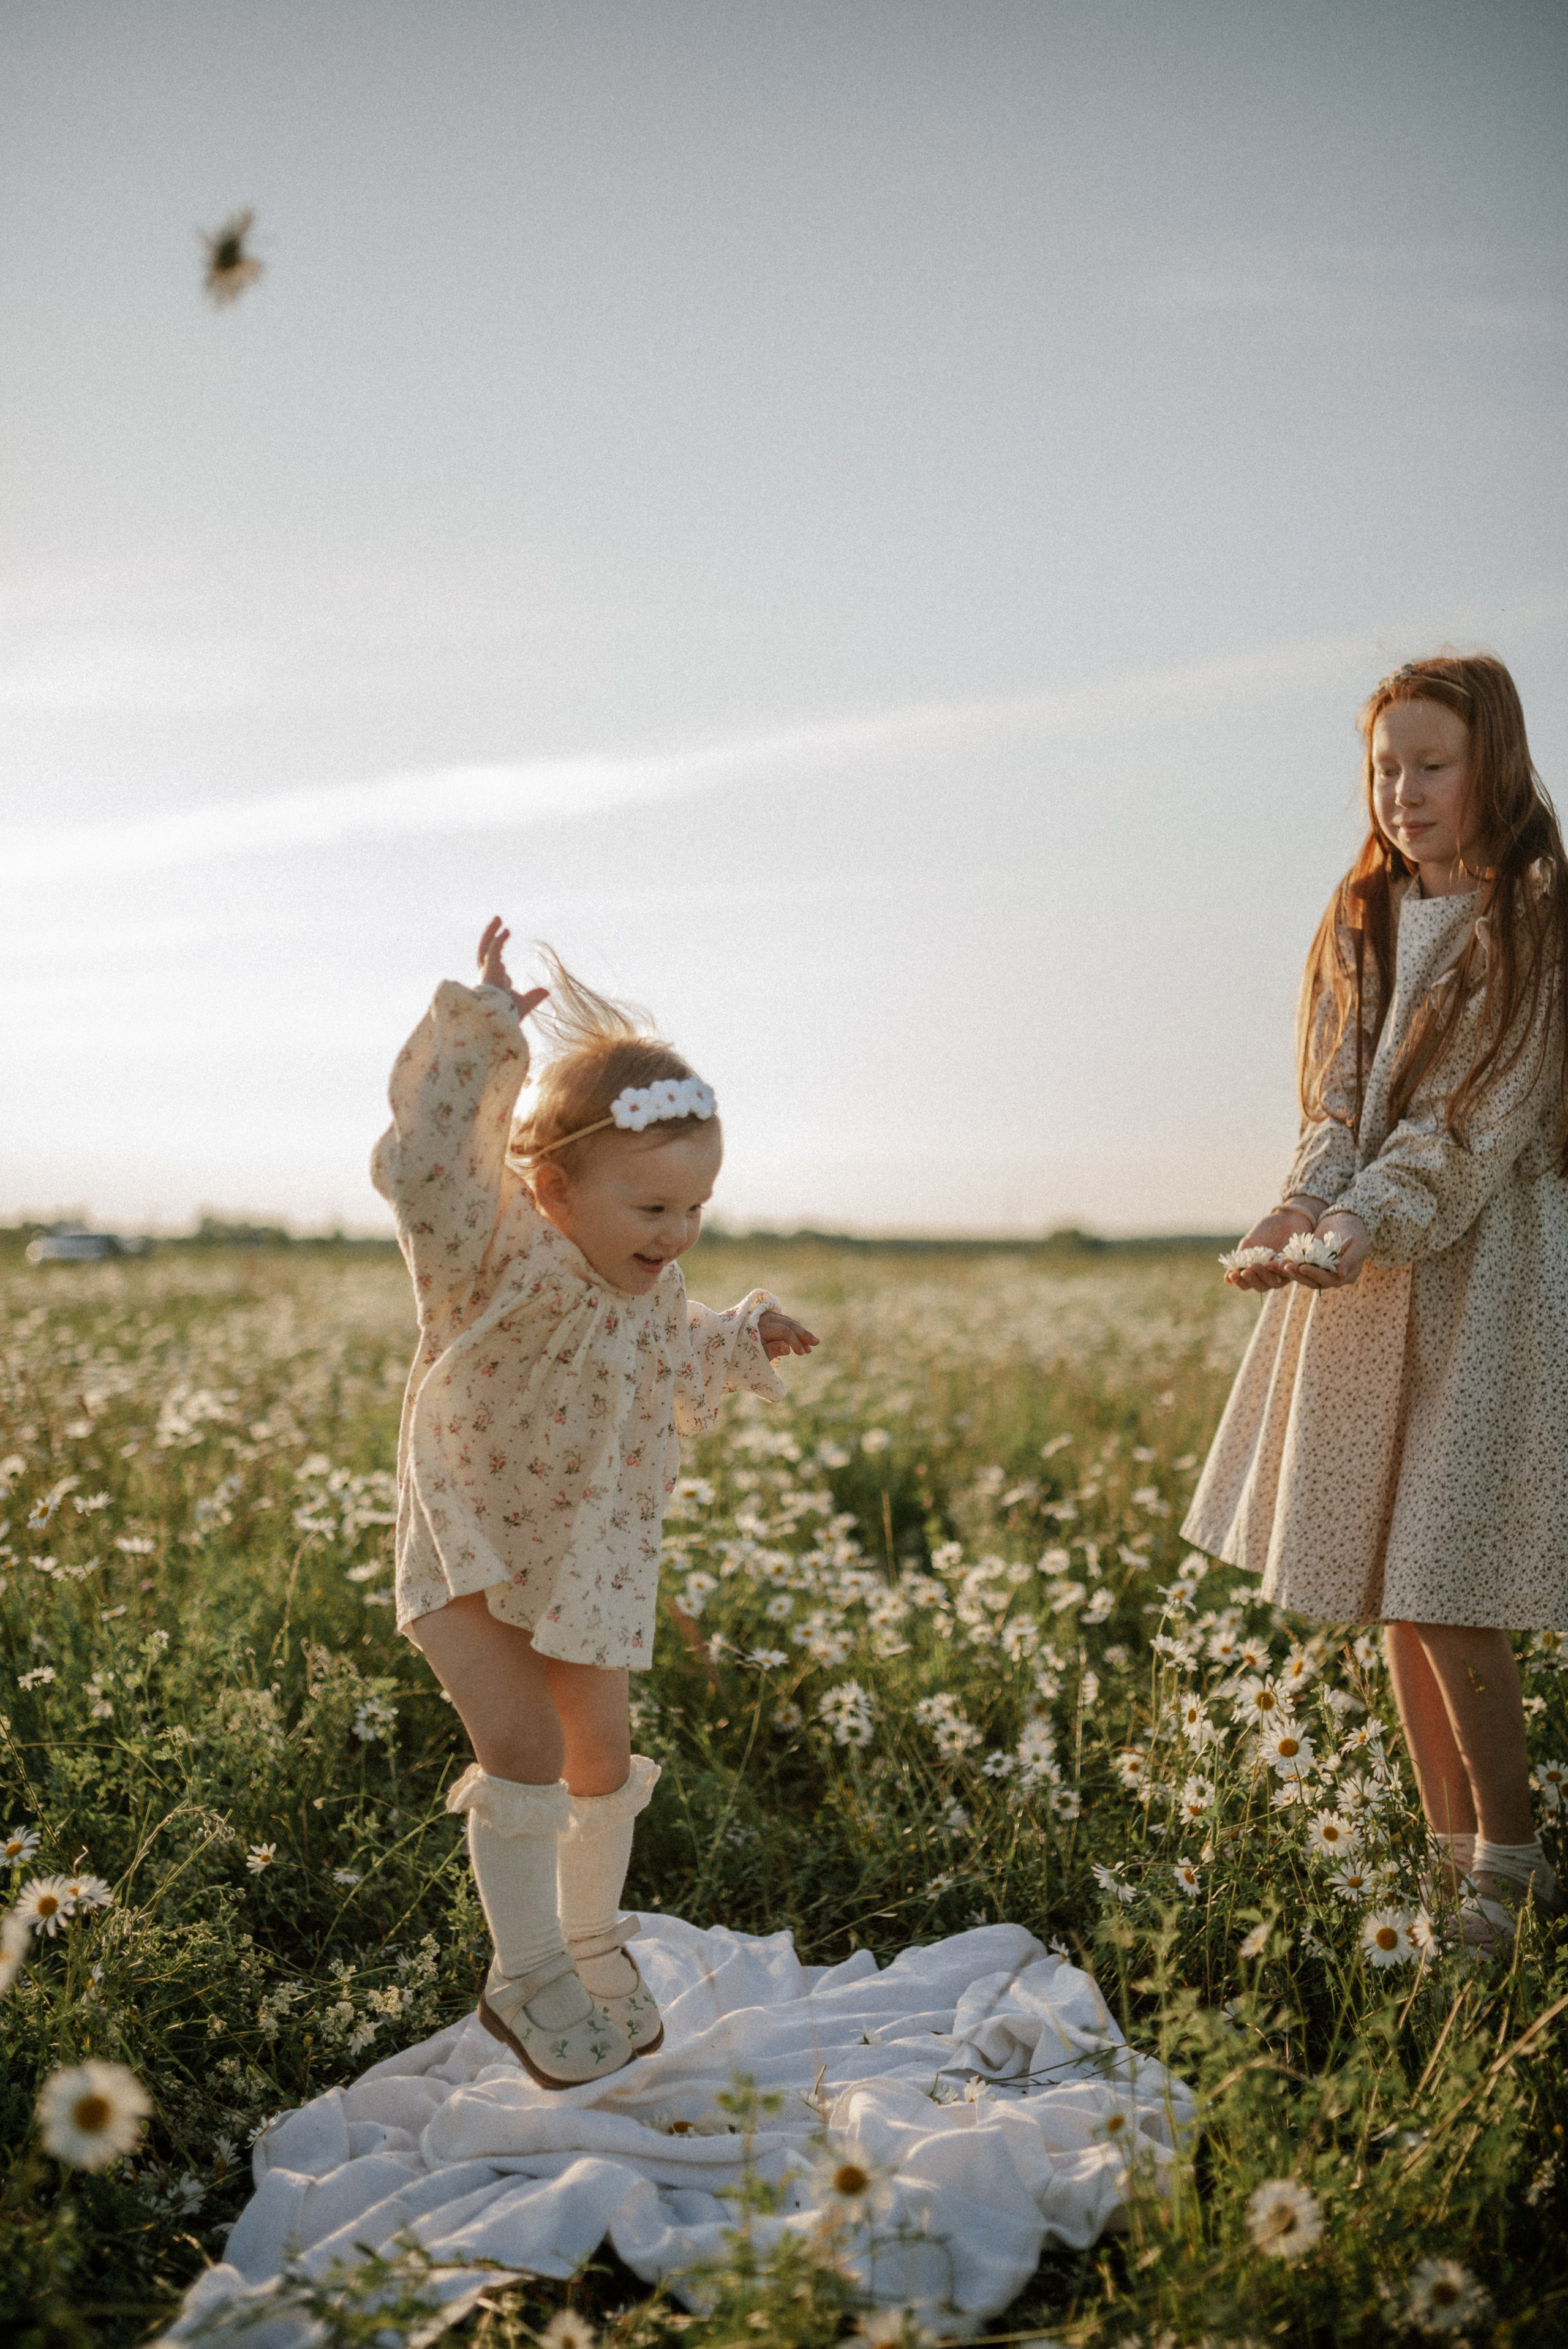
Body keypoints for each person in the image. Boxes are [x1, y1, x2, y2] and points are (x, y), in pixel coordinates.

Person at [371, 919, 818, 2085]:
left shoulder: (653, 1292)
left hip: (588, 1559)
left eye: (696, 1209)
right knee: (520, 1746)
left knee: (602, 1758)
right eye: (654, 1208)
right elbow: (426, 1164)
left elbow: (673, 1356)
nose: (679, 1235)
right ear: (555, 1188)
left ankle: (585, 1938)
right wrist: (479, 1038)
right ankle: (525, 1970)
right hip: (473, 1542)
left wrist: (742, 1337)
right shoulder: (490, 1253)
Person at [1183, 654, 1567, 1946]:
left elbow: (1465, 1127)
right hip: (1360, 1266)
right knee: (1394, 1585)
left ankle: (1514, 1871)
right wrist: (1301, 1204)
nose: (1401, 791)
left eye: (1431, 764)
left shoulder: (1535, 923)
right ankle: (1451, 1865)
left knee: (1449, 1576)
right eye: (1383, 767)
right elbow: (1337, 1101)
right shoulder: (1363, 914)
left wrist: (1358, 1221)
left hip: (1485, 1276)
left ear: (1493, 766)